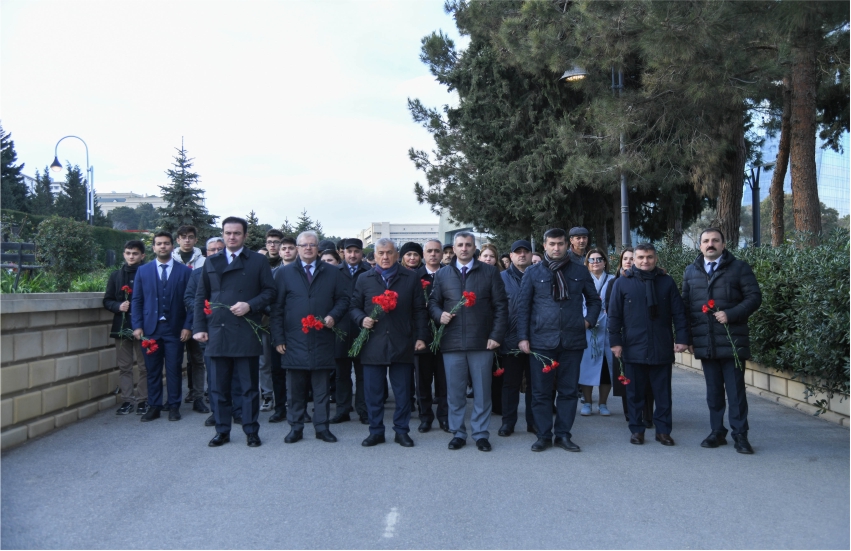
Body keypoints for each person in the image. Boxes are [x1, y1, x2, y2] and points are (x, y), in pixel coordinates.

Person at [193, 217, 276, 448]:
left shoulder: (258, 261)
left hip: (246, 329)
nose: (232, 237)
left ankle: (251, 430)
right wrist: (199, 327)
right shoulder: (212, 261)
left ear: (245, 236)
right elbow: (202, 296)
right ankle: (222, 431)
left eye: (236, 233)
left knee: (249, 386)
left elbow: (270, 292)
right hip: (217, 331)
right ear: (223, 234)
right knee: (218, 387)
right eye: (228, 233)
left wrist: (250, 305)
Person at [516, 228, 601, 452]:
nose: (556, 248)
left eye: (560, 244)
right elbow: (522, 308)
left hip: (572, 341)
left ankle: (563, 434)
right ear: (544, 245)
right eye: (552, 244)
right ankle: (543, 435)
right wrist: (523, 337)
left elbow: (594, 301)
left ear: (567, 245)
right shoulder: (533, 273)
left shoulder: (580, 271)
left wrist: (587, 322)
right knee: (541, 392)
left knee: (568, 391)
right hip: (541, 341)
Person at [682, 228, 762, 454]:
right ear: (699, 246)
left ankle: (740, 435)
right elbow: (685, 307)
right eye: (706, 241)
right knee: (713, 390)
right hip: (705, 341)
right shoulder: (691, 271)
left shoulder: (739, 268)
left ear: (723, 244)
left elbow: (754, 298)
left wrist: (731, 313)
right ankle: (717, 431)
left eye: (715, 240)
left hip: (732, 341)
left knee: (736, 391)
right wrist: (687, 338)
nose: (710, 244)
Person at [428, 231, 508, 452]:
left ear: (475, 248)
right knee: (455, 392)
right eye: (460, 245)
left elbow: (501, 307)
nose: (464, 248)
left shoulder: (490, 272)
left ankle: (481, 433)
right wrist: (439, 314)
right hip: (452, 342)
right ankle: (458, 432)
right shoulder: (442, 274)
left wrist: (496, 336)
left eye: (468, 245)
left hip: (482, 342)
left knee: (482, 392)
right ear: (453, 249)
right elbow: (433, 302)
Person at [270, 230, 350, 444]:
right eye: (304, 245)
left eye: (312, 245)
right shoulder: (284, 274)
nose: (308, 248)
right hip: (293, 339)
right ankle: (295, 427)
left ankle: (322, 428)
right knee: (295, 389)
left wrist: (333, 316)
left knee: (321, 388)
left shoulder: (332, 272)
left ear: (318, 249)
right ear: (297, 248)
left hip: (322, 337)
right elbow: (276, 309)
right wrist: (278, 338)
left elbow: (344, 299)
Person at [608, 243, 689, 446]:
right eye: (641, 257)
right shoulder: (622, 283)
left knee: (663, 393)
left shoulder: (666, 282)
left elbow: (678, 313)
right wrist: (615, 342)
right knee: (634, 393)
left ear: (656, 259)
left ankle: (663, 431)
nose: (646, 261)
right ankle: (637, 430)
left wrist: (682, 339)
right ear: (634, 259)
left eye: (650, 257)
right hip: (632, 346)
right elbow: (614, 316)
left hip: (661, 345)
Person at [350, 238, 428, 447]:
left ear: (397, 255)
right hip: (372, 343)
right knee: (373, 393)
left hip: (402, 342)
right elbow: (354, 306)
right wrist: (361, 319)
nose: (385, 257)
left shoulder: (410, 278)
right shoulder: (364, 279)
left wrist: (421, 337)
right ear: (374, 256)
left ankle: (401, 431)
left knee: (402, 392)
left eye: (389, 253)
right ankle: (376, 431)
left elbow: (420, 310)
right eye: (381, 253)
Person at [132, 231, 194, 422]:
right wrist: (137, 326)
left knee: (174, 369)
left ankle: (174, 406)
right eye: (159, 244)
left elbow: (192, 302)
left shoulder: (185, 271)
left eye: (166, 243)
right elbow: (137, 300)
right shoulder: (143, 271)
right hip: (150, 330)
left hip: (175, 329)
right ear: (153, 247)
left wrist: (187, 326)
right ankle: (155, 406)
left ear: (172, 246)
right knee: (152, 370)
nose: (162, 247)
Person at [186, 237, 235, 428]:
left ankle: (238, 410)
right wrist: (206, 310)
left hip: (234, 328)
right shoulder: (198, 273)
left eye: (219, 249)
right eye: (212, 250)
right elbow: (190, 298)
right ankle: (217, 412)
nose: (215, 253)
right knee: (215, 375)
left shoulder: (235, 271)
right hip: (210, 329)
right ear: (206, 253)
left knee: (236, 375)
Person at [604, 248, 653, 426]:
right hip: (624, 336)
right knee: (627, 378)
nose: (628, 261)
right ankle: (630, 414)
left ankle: (648, 415)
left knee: (648, 379)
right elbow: (612, 311)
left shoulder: (651, 280)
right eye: (625, 258)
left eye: (632, 258)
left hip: (645, 337)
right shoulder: (615, 283)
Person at [104, 240, 148, 416]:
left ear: (142, 256)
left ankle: (144, 400)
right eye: (128, 253)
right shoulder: (115, 276)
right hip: (121, 326)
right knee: (125, 367)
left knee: (145, 367)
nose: (131, 256)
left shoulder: (148, 273)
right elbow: (107, 300)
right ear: (124, 254)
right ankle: (127, 400)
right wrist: (117, 306)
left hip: (143, 327)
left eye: (135, 253)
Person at [497, 240, 536, 437]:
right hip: (510, 339)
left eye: (525, 252)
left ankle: (533, 422)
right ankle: (508, 422)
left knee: (534, 384)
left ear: (531, 255)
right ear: (510, 256)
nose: (522, 255)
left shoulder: (540, 275)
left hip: (536, 339)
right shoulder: (500, 278)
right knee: (510, 384)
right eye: (517, 252)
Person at [331, 238, 372, 425]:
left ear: (361, 253)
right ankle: (343, 409)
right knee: (342, 374)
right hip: (339, 330)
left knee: (363, 374)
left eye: (356, 251)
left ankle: (363, 410)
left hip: (363, 330)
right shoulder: (334, 272)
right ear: (343, 253)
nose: (353, 255)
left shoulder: (369, 272)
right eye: (349, 251)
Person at [171, 225, 207, 409]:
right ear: (177, 239)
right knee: (175, 360)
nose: (187, 240)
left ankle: (198, 395)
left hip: (196, 317)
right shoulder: (170, 260)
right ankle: (175, 397)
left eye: (190, 237)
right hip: (175, 319)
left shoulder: (204, 262)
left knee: (197, 359)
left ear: (195, 240)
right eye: (183, 237)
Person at [415, 239, 449, 433]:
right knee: (423, 381)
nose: (434, 254)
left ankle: (444, 417)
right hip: (423, 336)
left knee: (444, 381)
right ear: (424, 254)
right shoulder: (413, 276)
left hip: (445, 335)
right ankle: (425, 417)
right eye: (430, 251)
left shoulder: (449, 274)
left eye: (437, 251)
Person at [578, 249, 614, 416]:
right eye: (591, 260)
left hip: (608, 328)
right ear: (587, 263)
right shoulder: (582, 280)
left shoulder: (613, 280)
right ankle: (587, 402)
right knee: (587, 367)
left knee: (606, 369)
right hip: (588, 327)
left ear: (605, 261)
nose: (595, 262)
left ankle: (603, 403)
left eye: (599, 259)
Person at [267, 235, 299, 424]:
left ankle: (299, 408)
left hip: (300, 326)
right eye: (284, 248)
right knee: (277, 370)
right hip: (277, 326)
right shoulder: (272, 273)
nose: (287, 251)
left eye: (290, 248)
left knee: (300, 371)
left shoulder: (305, 272)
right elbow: (266, 298)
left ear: (297, 250)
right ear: (279, 252)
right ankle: (280, 408)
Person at [258, 229, 286, 413]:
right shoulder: (259, 263)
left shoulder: (288, 265)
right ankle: (267, 396)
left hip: (283, 321)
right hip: (263, 320)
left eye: (276, 242)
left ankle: (286, 397)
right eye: (269, 242)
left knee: (283, 363)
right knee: (264, 363)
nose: (273, 245)